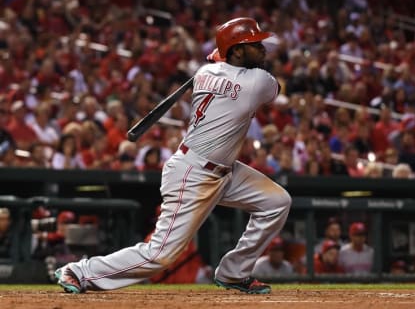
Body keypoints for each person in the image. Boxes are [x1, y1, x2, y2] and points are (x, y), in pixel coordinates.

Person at [55, 17, 291, 295]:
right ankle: (78, 271)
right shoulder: (258, 81)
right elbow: (273, 87)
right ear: (237, 52)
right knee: (160, 255)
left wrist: (221, 58)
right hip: (194, 174)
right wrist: (224, 59)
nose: (262, 49)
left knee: (276, 202)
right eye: (254, 44)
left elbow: (223, 68)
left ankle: (234, 273)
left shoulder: (204, 73)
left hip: (224, 170)